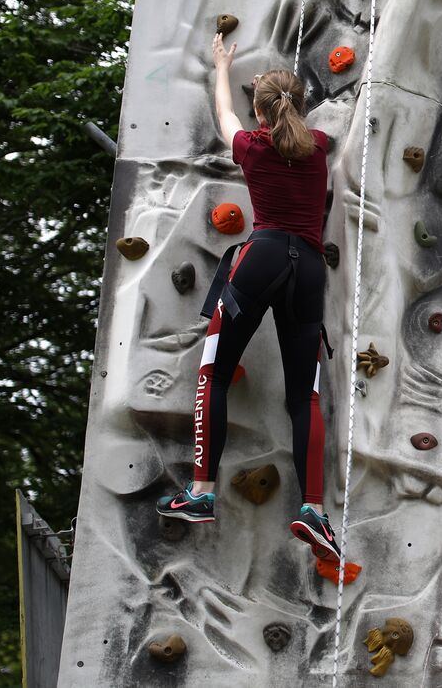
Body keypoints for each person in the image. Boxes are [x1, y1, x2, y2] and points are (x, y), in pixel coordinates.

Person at [156, 33, 341, 565]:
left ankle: (202, 492)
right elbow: (296, 122)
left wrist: (222, 66)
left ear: (260, 110)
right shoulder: (321, 147)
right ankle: (312, 509)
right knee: (303, 393)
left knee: (213, 374)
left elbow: (224, 114)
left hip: (258, 260)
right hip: (306, 269)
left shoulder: (252, 147)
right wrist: (280, 94)